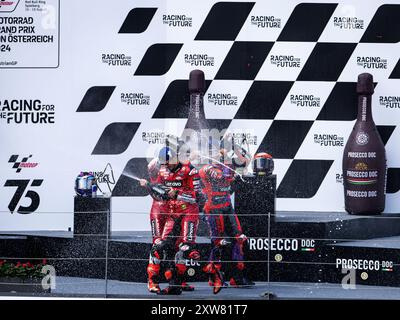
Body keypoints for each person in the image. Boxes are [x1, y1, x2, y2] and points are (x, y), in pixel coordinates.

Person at [140, 146, 201, 295]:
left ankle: (177, 284)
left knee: (184, 249)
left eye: (169, 162)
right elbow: (158, 190)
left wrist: (178, 194)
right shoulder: (162, 169)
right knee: (159, 246)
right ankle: (154, 282)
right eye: (164, 164)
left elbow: (198, 197)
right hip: (172, 214)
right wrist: (150, 186)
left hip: (189, 213)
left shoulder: (190, 170)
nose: (167, 166)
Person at [199, 138, 254, 294]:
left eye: (218, 150)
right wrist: (233, 173)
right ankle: (214, 277)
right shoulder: (206, 168)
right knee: (218, 242)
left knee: (239, 238)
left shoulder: (227, 164)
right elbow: (221, 178)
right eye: (212, 151)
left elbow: (246, 160)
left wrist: (234, 146)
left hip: (227, 207)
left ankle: (236, 277)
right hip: (213, 210)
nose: (216, 153)